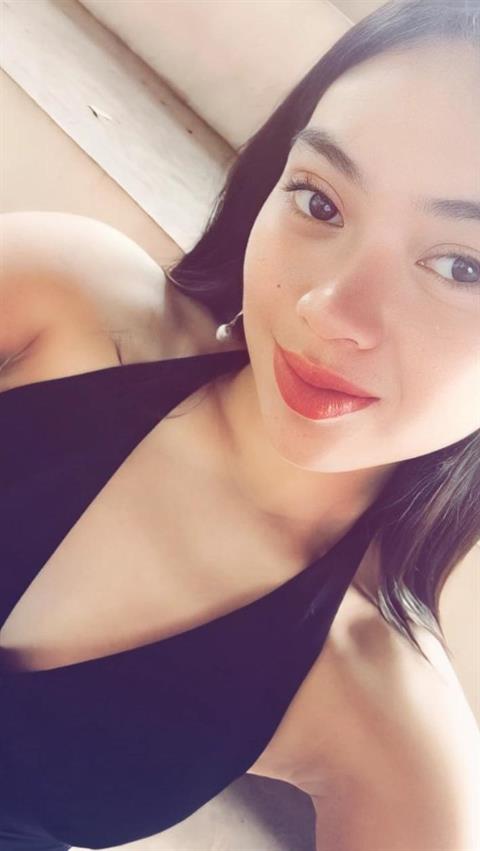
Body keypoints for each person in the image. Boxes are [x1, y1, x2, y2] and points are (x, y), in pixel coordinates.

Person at [1, 0, 479, 848]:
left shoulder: (386, 718)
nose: (329, 309)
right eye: (320, 202)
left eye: (462, 267)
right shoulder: (62, 301)